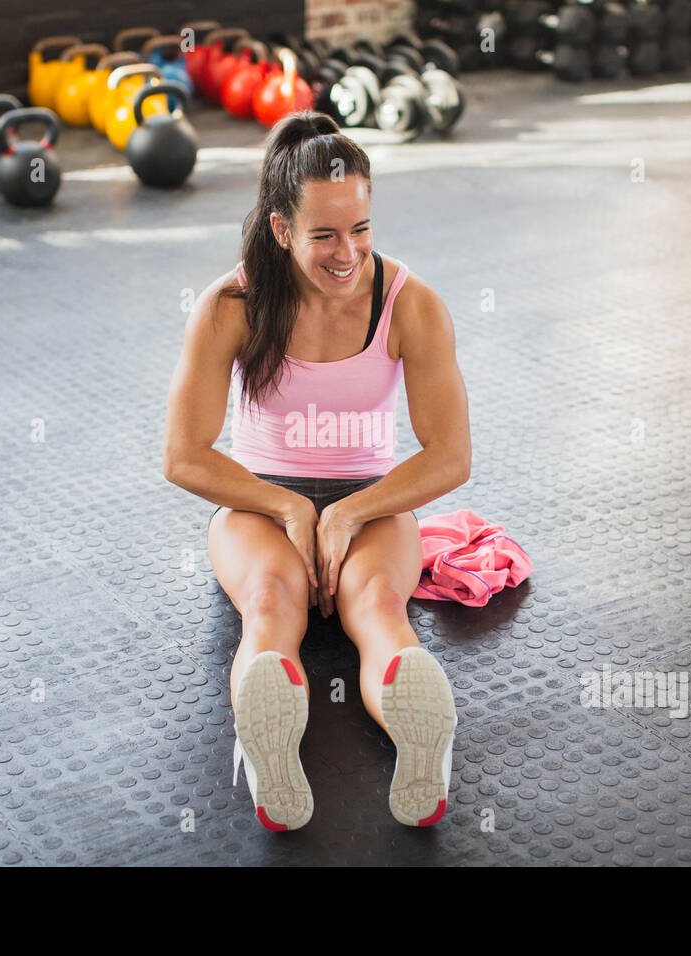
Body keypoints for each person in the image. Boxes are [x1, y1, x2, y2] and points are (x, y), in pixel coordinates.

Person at [162, 111, 471, 830]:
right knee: (270, 605)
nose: (348, 253)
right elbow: (183, 454)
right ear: (280, 230)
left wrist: (351, 511)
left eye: (360, 229)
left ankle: (422, 740)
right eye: (325, 235)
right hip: (260, 503)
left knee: (379, 610)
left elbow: (450, 455)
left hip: (373, 500)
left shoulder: (410, 303)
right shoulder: (230, 305)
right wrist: (294, 508)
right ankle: (272, 749)